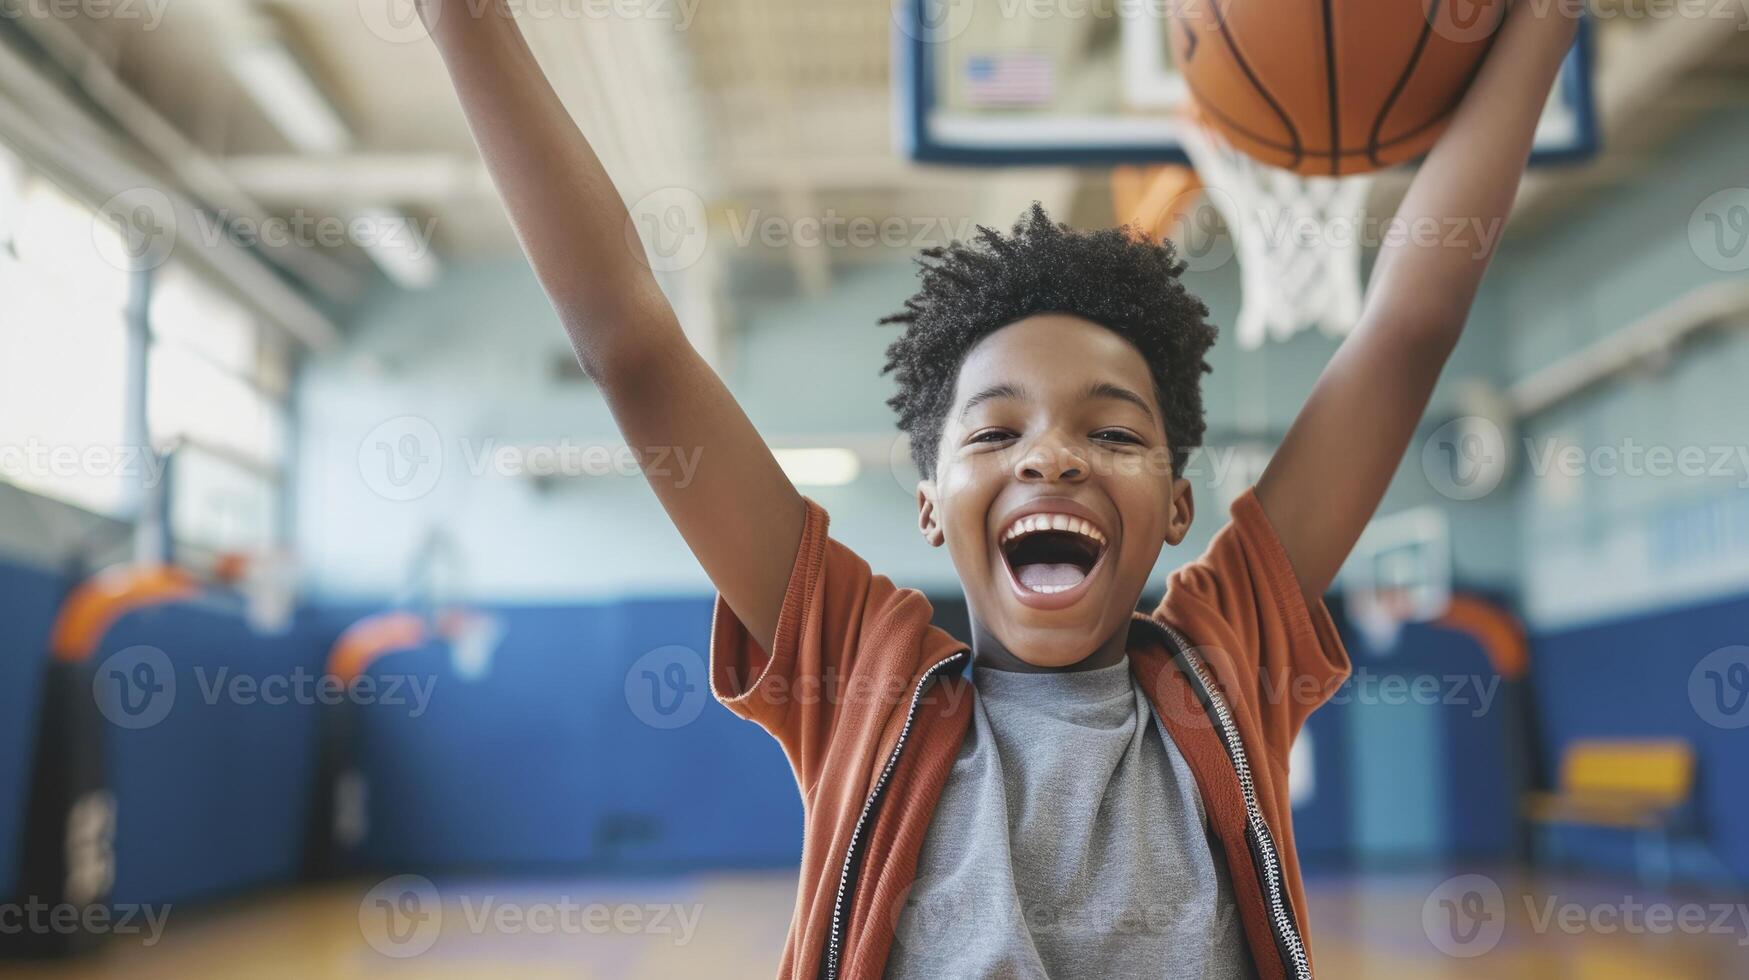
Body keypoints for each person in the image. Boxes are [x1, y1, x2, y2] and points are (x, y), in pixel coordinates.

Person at [419, 2, 1581, 976]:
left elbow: (1407, 328)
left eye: (1114, 430)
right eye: (997, 430)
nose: (1052, 454)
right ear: (929, 504)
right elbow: (634, 346)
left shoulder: (1228, 659)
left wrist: (1545, 18)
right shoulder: (857, 676)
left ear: (1177, 506)